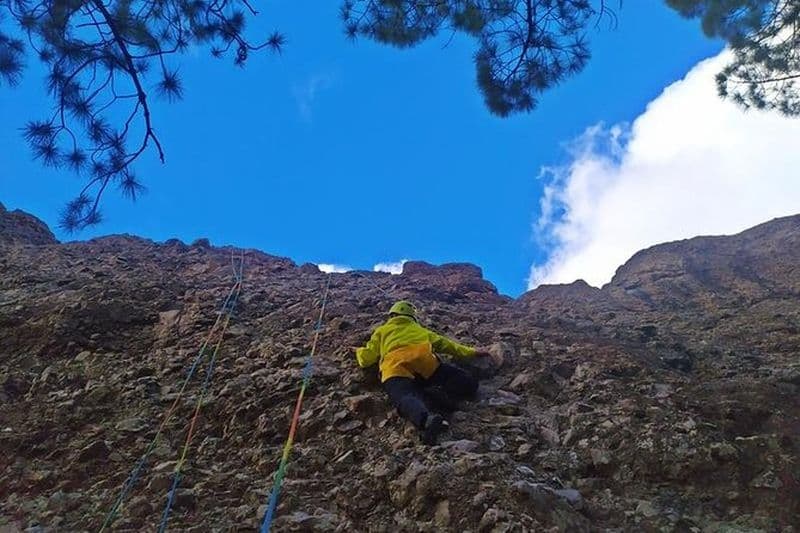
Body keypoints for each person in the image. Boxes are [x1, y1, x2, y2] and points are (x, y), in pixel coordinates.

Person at [352, 300, 493, 444]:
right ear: (412, 317)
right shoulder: (420, 330)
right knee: (464, 379)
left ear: (392, 315)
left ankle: (426, 419)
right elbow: (448, 345)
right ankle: (445, 396)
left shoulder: (381, 331)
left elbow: (367, 359)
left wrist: (358, 351)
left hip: (395, 368)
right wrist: (473, 352)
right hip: (425, 366)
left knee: (404, 396)